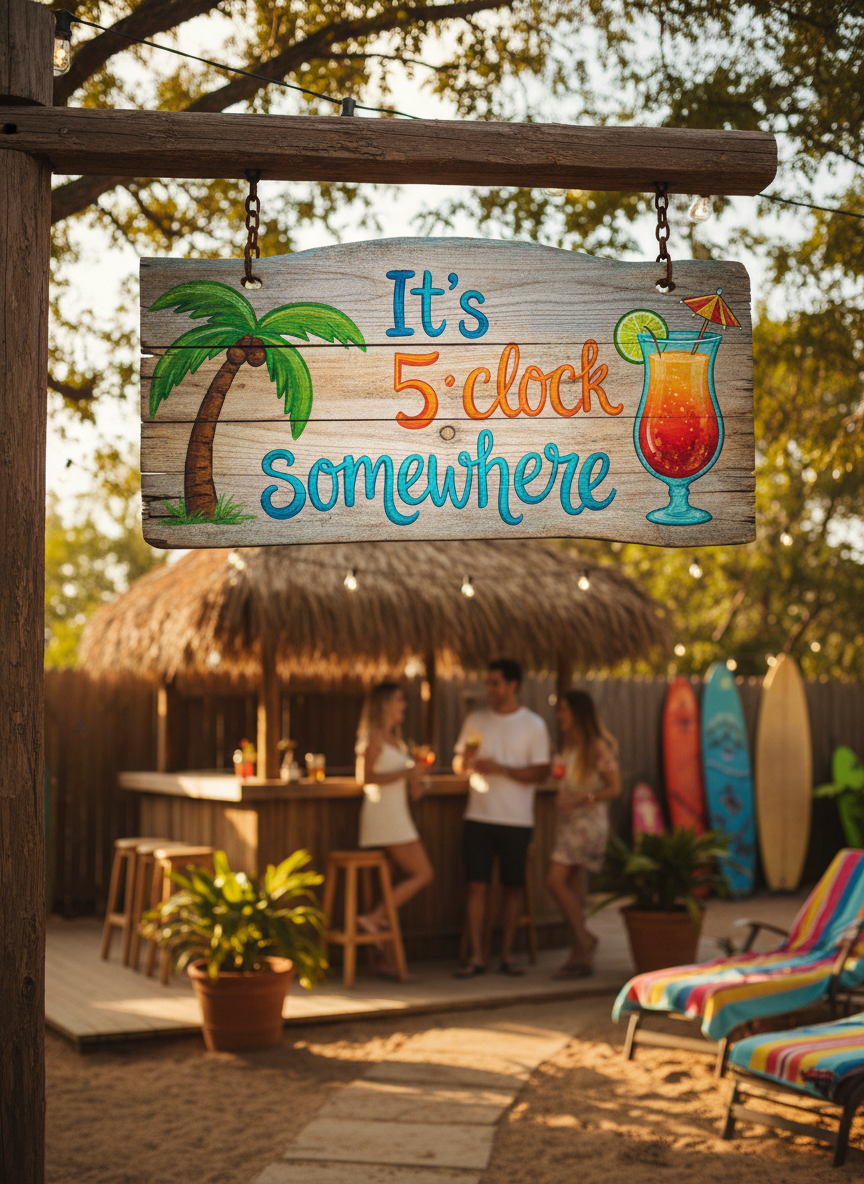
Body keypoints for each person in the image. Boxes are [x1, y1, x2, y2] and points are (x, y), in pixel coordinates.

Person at [453, 659, 551, 977]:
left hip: (517, 820)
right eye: (488, 683)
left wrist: (503, 769)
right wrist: (466, 762)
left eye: (495, 683)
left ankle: (507, 955)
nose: (490, 689)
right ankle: (477, 956)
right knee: (475, 887)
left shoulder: (533, 724)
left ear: (513, 685)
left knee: (513, 888)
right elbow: (458, 764)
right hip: (478, 815)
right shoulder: (475, 719)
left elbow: (541, 771)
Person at [355, 682, 434, 974]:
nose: (404, 705)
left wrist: (415, 783)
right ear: (385, 703)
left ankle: (388, 961)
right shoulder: (372, 737)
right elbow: (365, 779)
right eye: (400, 700)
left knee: (389, 884)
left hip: (396, 812)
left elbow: (397, 777)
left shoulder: (395, 739)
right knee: (424, 873)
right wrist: (406, 772)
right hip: (384, 816)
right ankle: (372, 918)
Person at [545, 690, 620, 979]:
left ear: (578, 713)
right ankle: (579, 955)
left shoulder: (597, 747)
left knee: (554, 881)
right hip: (570, 822)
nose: (560, 715)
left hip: (587, 823)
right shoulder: (570, 747)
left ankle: (585, 939)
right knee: (571, 886)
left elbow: (614, 788)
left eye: (564, 710)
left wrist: (579, 799)